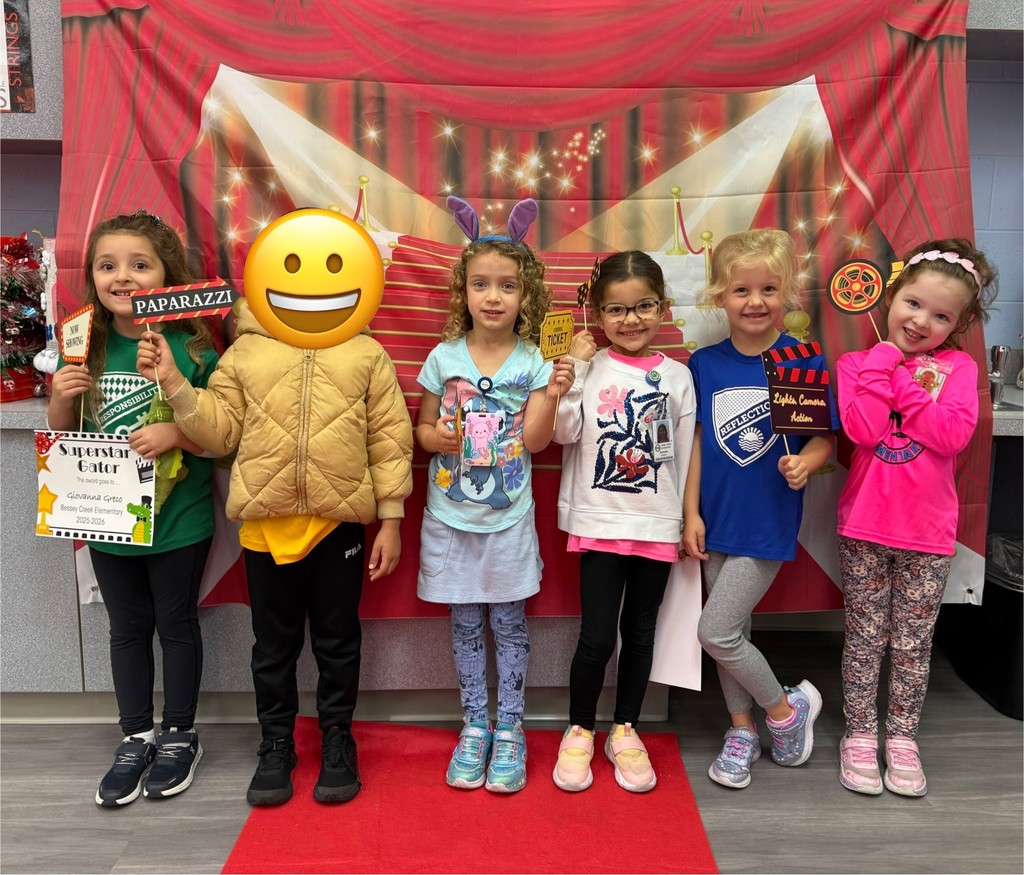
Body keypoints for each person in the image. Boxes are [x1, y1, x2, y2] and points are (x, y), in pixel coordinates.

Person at [137, 210, 414, 807]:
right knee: (273, 645)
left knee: (338, 641)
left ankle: (337, 739)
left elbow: (390, 440)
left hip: (340, 526)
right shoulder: (244, 354)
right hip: (265, 528)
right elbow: (218, 434)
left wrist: (390, 520)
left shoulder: (366, 354)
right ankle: (277, 742)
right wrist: (177, 385)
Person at [48, 210, 218, 807]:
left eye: (139, 264)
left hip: (179, 519)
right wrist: (60, 398)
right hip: (106, 518)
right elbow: (61, 433)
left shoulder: (192, 346)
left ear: (166, 275)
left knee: (176, 625)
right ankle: (136, 735)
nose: (122, 276)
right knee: (125, 628)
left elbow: (220, 436)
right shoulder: (82, 344)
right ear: (92, 277)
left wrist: (175, 433)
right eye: (107, 265)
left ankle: (180, 734)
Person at [416, 197, 574, 794]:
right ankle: (474, 726)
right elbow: (422, 431)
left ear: (524, 296)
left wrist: (553, 393)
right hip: (450, 516)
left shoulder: (534, 360)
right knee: (463, 625)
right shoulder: (443, 357)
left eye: (507, 286)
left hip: (508, 520)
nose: (492, 297)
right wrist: (438, 436)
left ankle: (510, 728)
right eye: (480, 284)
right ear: (463, 292)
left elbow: (535, 441)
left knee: (509, 625)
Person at [834, 239, 996, 797]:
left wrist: (901, 380)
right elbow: (863, 430)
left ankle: (902, 737)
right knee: (864, 638)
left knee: (912, 642)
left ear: (959, 324)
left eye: (941, 316)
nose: (922, 321)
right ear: (890, 297)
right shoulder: (856, 363)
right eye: (913, 303)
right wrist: (881, 365)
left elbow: (951, 436)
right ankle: (860, 733)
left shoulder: (960, 367)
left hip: (928, 534)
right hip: (864, 526)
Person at [682, 229, 837, 790]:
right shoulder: (704, 364)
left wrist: (806, 463)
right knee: (735, 629)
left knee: (716, 632)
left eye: (768, 289)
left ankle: (784, 711)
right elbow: (697, 443)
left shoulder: (799, 358)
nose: (755, 301)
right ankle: (742, 729)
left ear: (786, 293)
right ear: (719, 296)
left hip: (767, 521)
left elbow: (823, 440)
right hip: (715, 519)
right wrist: (690, 513)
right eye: (741, 290)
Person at [552, 251, 696, 794]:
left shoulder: (678, 377)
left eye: (643, 307)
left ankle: (625, 728)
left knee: (639, 634)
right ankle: (579, 728)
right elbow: (564, 433)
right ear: (598, 313)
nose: (631, 320)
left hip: (656, 524)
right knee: (596, 638)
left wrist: (685, 518)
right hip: (600, 522)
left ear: (663, 307)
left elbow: (683, 454)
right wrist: (572, 374)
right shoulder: (588, 367)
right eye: (616, 309)